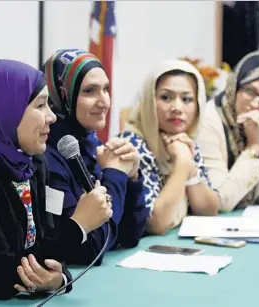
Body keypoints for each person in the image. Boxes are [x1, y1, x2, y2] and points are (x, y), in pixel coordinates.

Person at [0, 59, 109, 305]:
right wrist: (79, 226)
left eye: (49, 105)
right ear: (6, 109)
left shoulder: (33, 163)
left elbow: (44, 246)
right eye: (40, 105)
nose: (51, 116)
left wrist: (58, 279)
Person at [42, 49, 149, 265]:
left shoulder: (91, 143)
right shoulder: (46, 157)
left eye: (106, 90)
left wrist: (133, 178)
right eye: (90, 91)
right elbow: (91, 249)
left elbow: (130, 234)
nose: (104, 102)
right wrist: (115, 174)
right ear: (62, 95)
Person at [120, 60, 220, 236]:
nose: (177, 108)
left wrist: (191, 170)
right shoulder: (130, 145)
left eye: (187, 99)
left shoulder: (183, 140)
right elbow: (156, 223)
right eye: (166, 97)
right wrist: (183, 164)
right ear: (149, 101)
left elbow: (208, 211)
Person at [196, 51, 259, 212]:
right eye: (250, 91)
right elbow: (221, 201)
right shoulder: (209, 121)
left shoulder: (257, 123)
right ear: (234, 87)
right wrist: (253, 148)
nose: (256, 103)